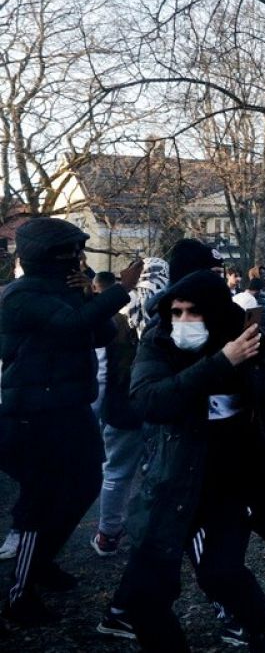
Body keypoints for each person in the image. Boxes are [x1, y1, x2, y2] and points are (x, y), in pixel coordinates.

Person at [112, 269, 265, 652]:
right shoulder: (159, 342)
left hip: (232, 481)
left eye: (193, 312)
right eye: (176, 312)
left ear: (215, 313)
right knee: (144, 597)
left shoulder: (257, 343)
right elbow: (149, 401)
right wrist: (222, 362)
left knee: (220, 574)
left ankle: (264, 631)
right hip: (171, 478)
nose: (183, 321)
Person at [0, 219, 139, 627]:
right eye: (72, 252)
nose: (79, 259)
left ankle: (41, 561)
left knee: (85, 484)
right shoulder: (22, 294)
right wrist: (120, 290)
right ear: (50, 256)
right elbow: (70, 326)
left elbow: (100, 335)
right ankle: (19, 593)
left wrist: (88, 295)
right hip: (33, 413)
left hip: (71, 406)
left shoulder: (63, 290)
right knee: (40, 498)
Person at [92, 258, 169, 558]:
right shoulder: (170, 314)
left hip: (122, 406)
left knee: (116, 472)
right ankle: (153, 530)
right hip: (161, 406)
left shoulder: (114, 316)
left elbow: (101, 371)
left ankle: (108, 534)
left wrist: (95, 414)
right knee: (161, 471)